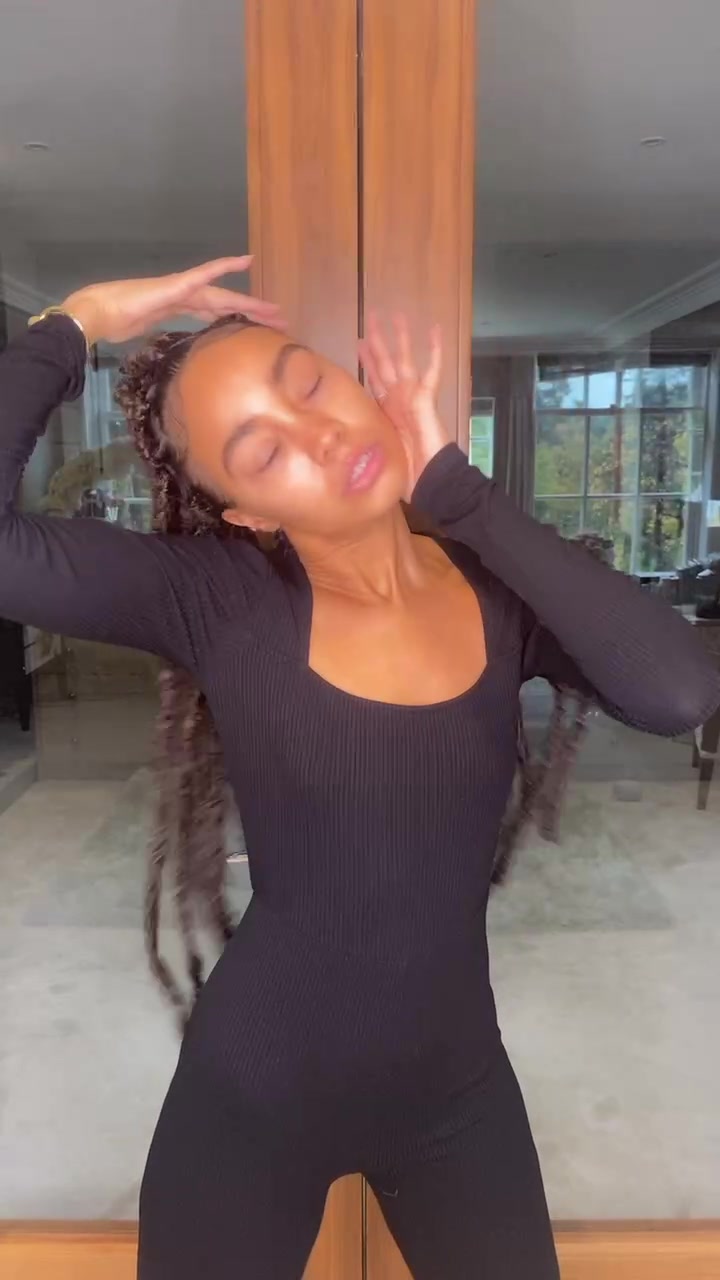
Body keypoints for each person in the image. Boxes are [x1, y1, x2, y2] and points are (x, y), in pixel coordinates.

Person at [1, 258, 717, 1280]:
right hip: (256, 1091)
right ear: (245, 512)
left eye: (308, 382)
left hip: (456, 1093)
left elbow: (679, 691)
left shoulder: (497, 591)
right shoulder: (211, 595)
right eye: (263, 449)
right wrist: (73, 323)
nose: (323, 433)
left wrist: (461, 495)